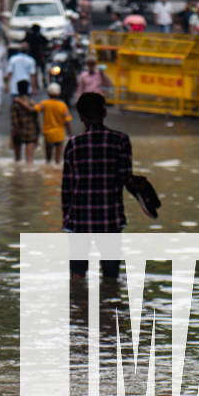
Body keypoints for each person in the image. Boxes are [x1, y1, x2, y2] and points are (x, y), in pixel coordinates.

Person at [62, 93, 133, 280]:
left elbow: (67, 188)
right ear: (104, 112)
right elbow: (126, 177)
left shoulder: (74, 144)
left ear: (80, 117)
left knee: (77, 274)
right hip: (110, 216)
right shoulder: (121, 141)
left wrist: (66, 219)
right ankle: (109, 306)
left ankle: (78, 306)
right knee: (111, 274)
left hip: (79, 218)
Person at [36, 83, 73, 163]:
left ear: (48, 93)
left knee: (48, 159)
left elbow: (35, 110)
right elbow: (67, 121)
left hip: (48, 133)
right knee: (58, 159)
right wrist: (70, 134)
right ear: (59, 93)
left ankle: (48, 168)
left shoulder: (44, 103)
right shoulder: (62, 105)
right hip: (59, 134)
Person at [10, 79, 39, 163]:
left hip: (19, 132)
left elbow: (14, 121)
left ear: (18, 89)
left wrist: (12, 136)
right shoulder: (32, 102)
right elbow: (36, 119)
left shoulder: (15, 103)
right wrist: (37, 133)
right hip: (31, 131)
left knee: (17, 160)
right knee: (30, 161)